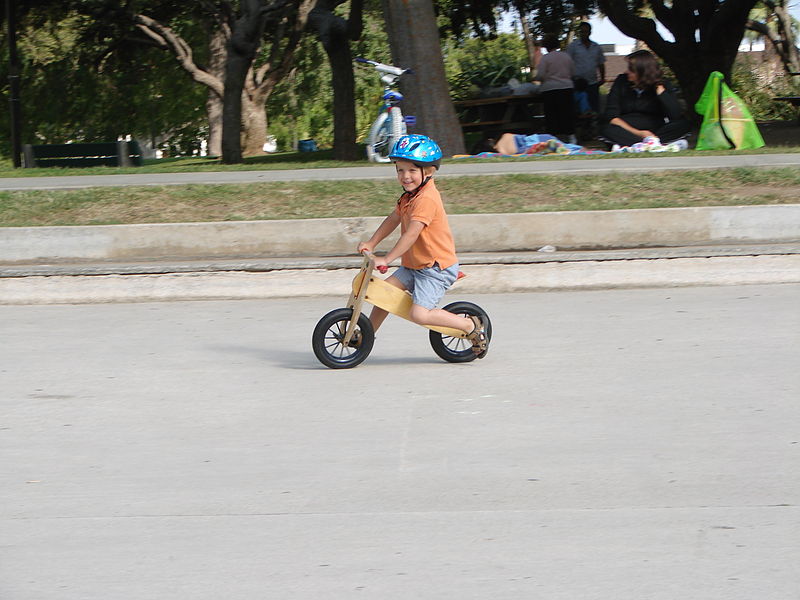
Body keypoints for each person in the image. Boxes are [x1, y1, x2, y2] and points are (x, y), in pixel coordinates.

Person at [357, 134, 489, 357]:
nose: (405, 176)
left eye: (411, 170)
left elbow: (411, 235)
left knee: (420, 315)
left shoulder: (427, 199)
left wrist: (386, 259)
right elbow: (393, 219)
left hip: (435, 269)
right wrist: (371, 242)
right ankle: (365, 336)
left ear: (428, 172)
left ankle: (471, 326)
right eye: (400, 170)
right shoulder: (409, 196)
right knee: (383, 294)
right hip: (415, 265)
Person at [599, 49, 691, 148]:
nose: (627, 71)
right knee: (606, 129)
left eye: (631, 69)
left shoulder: (662, 84)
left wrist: (660, 91)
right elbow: (612, 116)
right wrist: (640, 134)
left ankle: (644, 145)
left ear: (643, 71)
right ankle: (652, 145)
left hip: (656, 129)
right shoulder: (621, 81)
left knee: (683, 125)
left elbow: (675, 115)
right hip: (628, 129)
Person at [533, 35, 576, 144]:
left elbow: (541, 75)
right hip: (566, 87)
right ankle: (571, 136)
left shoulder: (546, 58)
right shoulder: (566, 56)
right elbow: (573, 72)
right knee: (567, 113)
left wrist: (535, 77)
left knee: (552, 115)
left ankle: (553, 139)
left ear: (546, 46)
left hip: (550, 89)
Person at [565, 22, 606, 113]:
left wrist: (603, 78)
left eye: (586, 32)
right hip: (578, 83)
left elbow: (601, 63)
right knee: (579, 109)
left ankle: (594, 125)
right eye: (582, 32)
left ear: (590, 32)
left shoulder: (596, 47)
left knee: (594, 108)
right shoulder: (573, 46)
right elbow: (567, 63)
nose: (584, 34)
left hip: (593, 82)